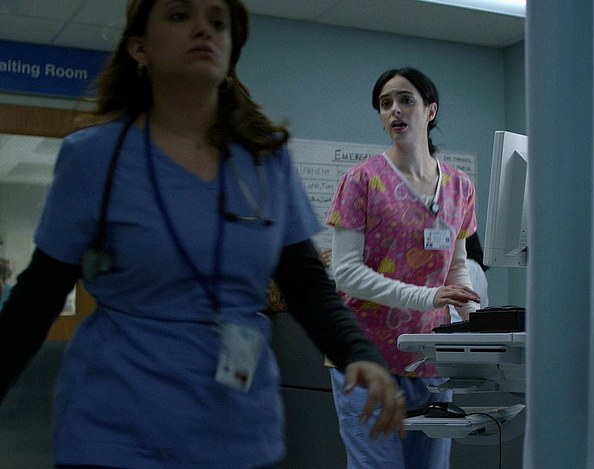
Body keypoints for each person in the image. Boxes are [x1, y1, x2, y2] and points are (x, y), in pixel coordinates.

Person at [0, 1, 404, 468]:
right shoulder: (95, 158)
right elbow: (37, 297)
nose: (202, 30)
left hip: (238, 430)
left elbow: (307, 283)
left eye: (217, 22)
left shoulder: (264, 161)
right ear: (139, 48)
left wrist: (358, 352)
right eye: (178, 16)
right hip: (116, 429)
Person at [326, 67, 480, 469]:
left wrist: (479, 324)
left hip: (430, 361)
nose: (394, 109)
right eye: (385, 103)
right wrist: (429, 297)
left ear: (430, 110)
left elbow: (456, 270)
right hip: (366, 359)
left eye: (405, 100)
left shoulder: (460, 187)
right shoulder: (361, 181)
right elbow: (346, 274)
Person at [449, 233, 489, 323]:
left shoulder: (468, 267)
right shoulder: (477, 268)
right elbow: (482, 304)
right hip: (468, 324)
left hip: (450, 324)